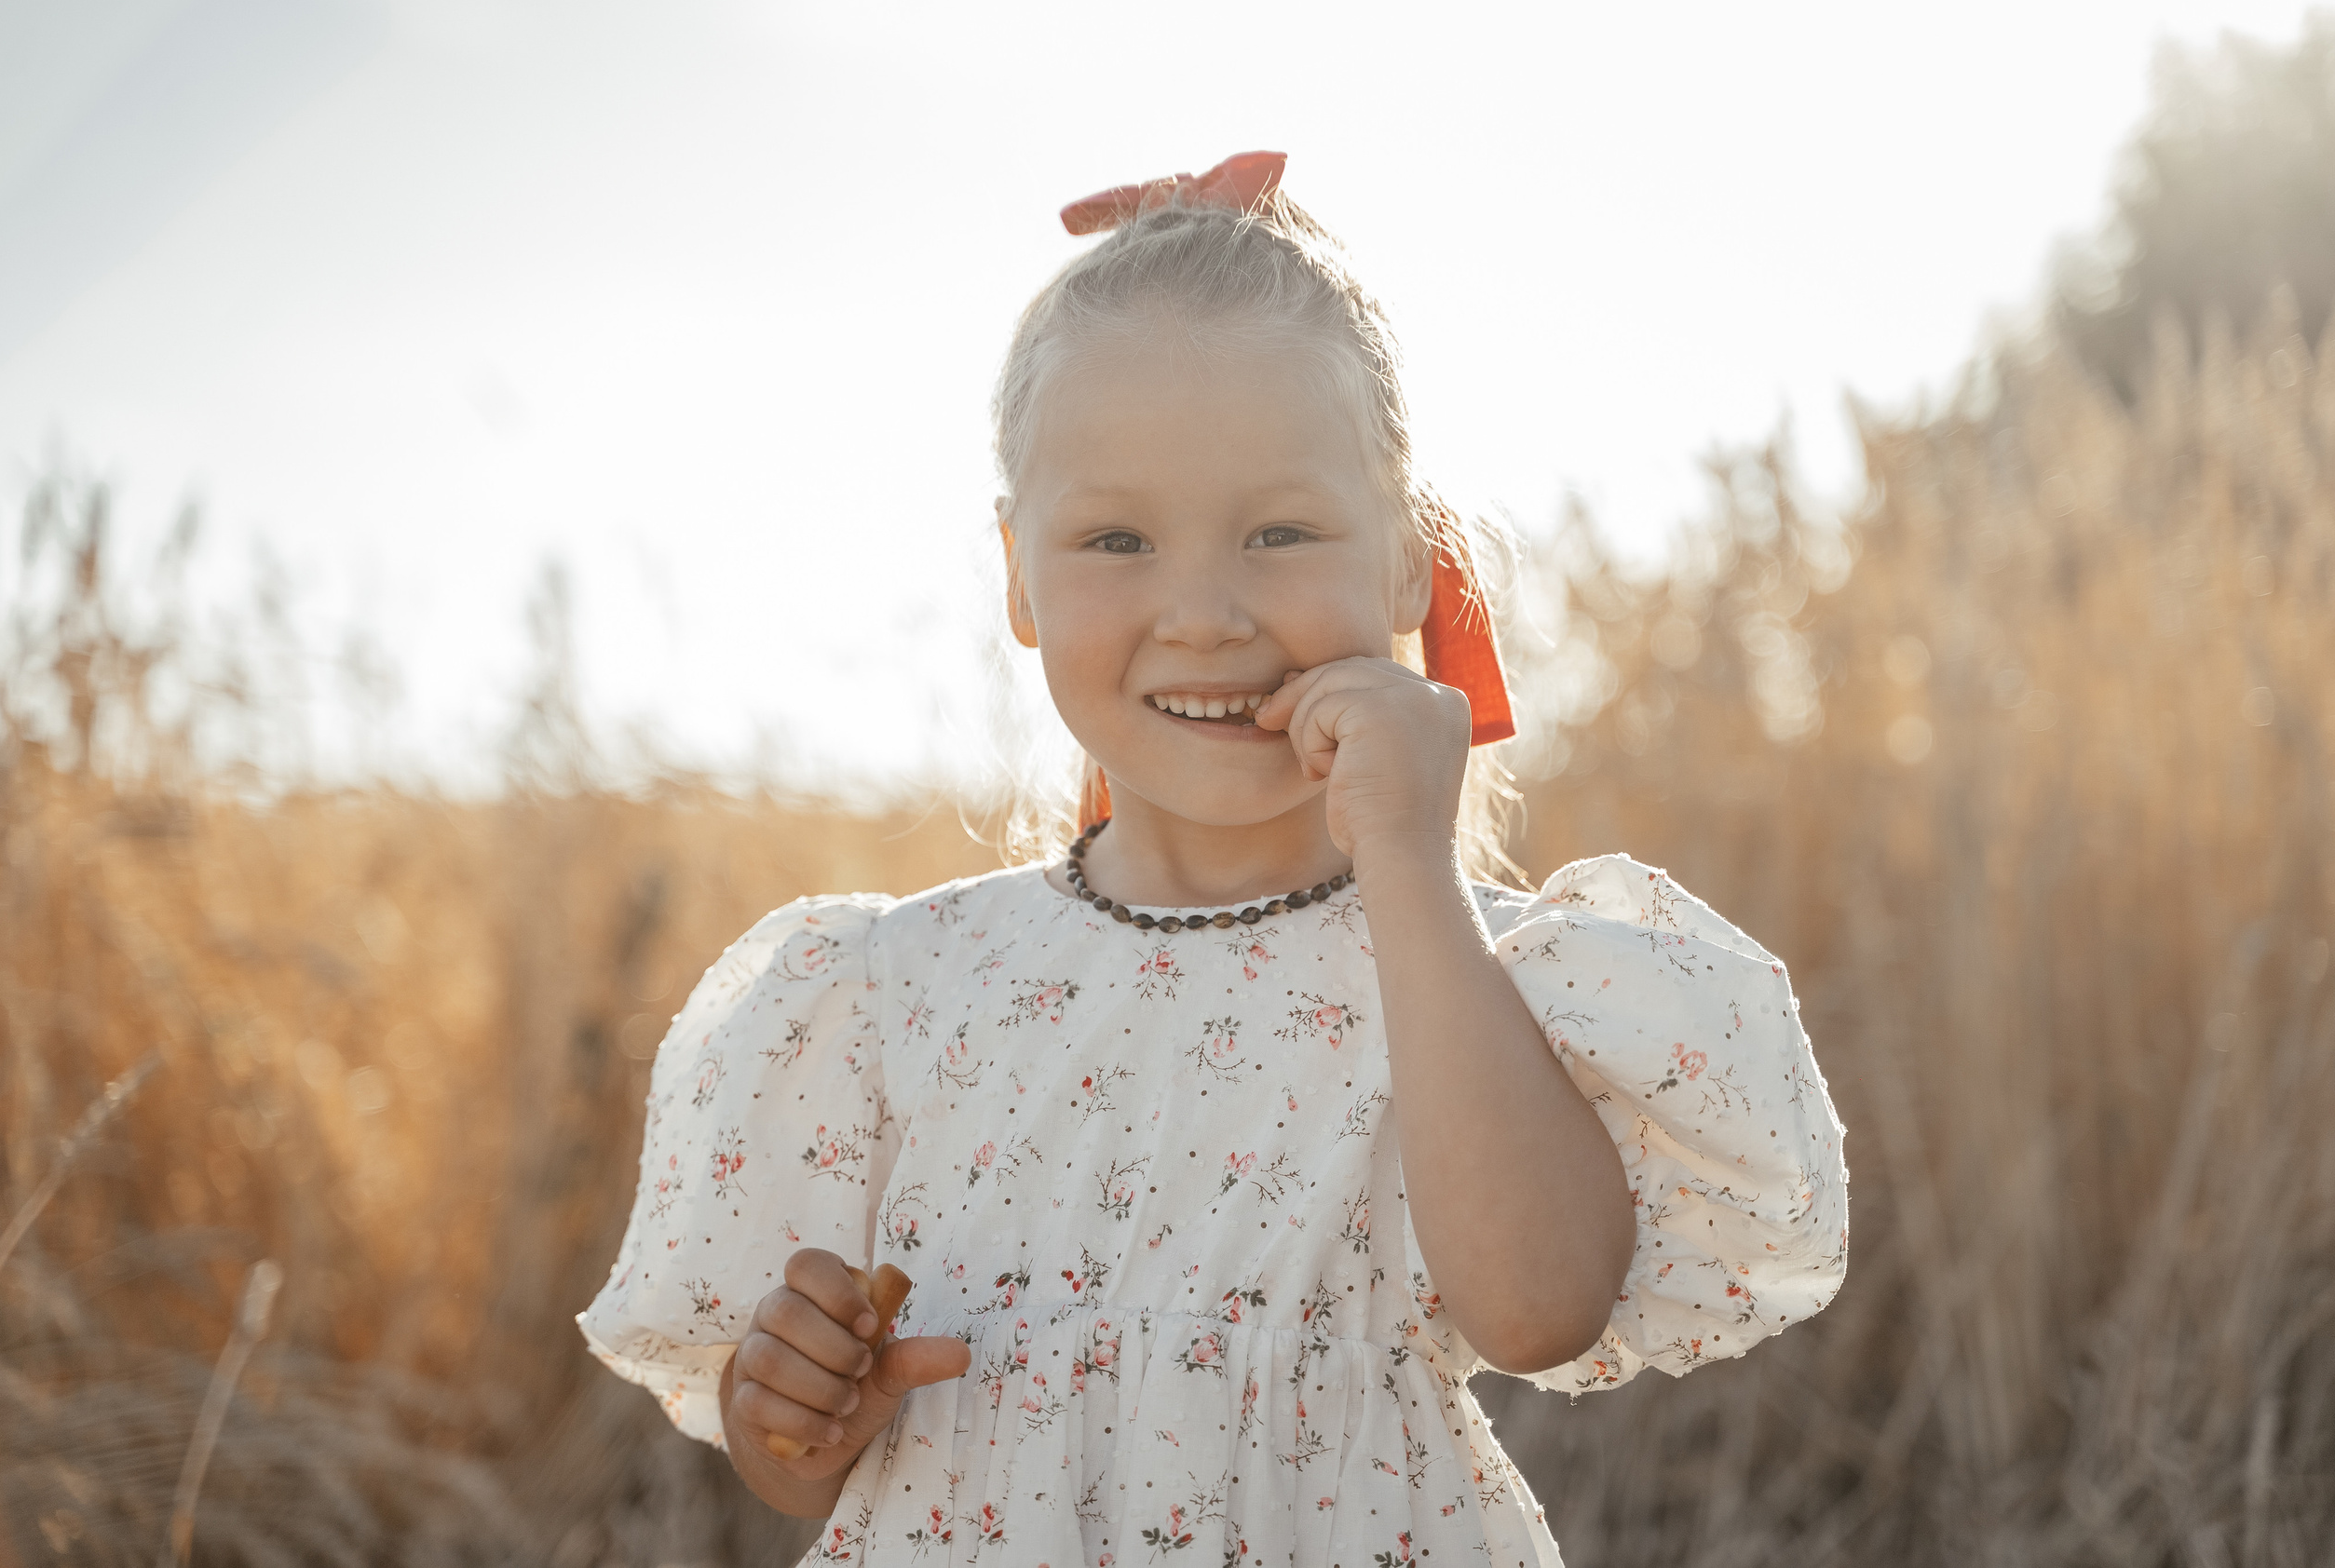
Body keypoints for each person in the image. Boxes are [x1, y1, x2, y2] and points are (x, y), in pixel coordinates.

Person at [578, 152, 1848, 1568]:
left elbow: (1538, 1307)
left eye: (1279, 532)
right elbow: (813, 1473)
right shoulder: (897, 989)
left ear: (1410, 567)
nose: (1200, 611)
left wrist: (1414, 872)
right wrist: (794, 1415)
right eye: (1116, 538)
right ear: (1016, 574)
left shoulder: (1478, 974)